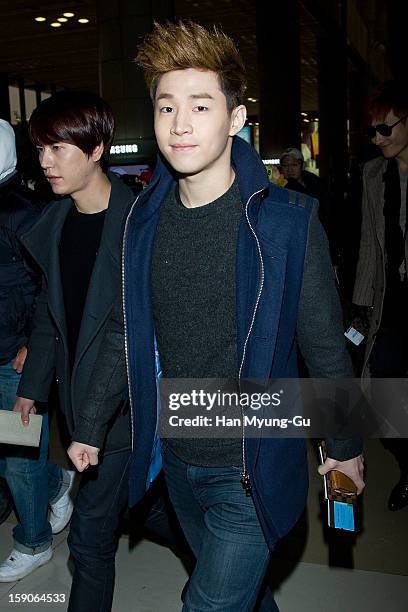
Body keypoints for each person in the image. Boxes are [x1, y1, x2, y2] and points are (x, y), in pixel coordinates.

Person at [68, 21, 364, 611]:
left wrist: (346, 442)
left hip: (251, 469)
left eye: (200, 106)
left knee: (207, 605)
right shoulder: (142, 225)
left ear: (234, 119)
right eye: (166, 106)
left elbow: (325, 348)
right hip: (177, 458)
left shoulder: (286, 223)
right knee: (244, 599)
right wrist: (91, 422)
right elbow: (126, 329)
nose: (180, 124)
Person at [13, 92, 183, 611]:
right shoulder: (55, 225)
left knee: (88, 537)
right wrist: (31, 390)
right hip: (78, 400)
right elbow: (50, 313)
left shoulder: (141, 224)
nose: (45, 161)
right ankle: (212, 540)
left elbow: (128, 332)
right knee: (144, 507)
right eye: (40, 148)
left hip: (131, 404)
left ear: (96, 149)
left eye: (58, 148)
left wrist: (88, 421)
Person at [0, 119, 74, 582]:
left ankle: (34, 541)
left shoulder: (24, 211)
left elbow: (46, 284)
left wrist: (32, 344)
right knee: (9, 451)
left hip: (14, 359)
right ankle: (58, 480)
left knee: (18, 453)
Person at [352, 80, 408, 511]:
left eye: (386, 129)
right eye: (373, 131)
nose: (378, 139)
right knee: (382, 397)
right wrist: (361, 307)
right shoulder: (373, 175)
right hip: (393, 303)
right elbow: (370, 245)